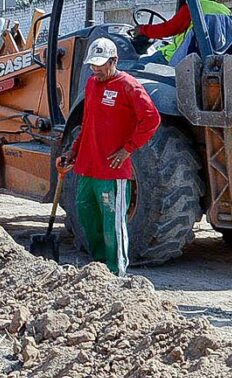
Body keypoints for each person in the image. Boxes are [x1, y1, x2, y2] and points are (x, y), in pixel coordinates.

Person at [57, 38, 160, 277]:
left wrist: (128, 149)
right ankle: (100, 267)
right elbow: (87, 123)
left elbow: (152, 119)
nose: (95, 69)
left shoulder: (129, 86)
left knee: (113, 223)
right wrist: (73, 151)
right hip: (87, 167)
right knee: (86, 215)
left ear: (114, 61)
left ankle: (117, 271)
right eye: (92, 64)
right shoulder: (92, 85)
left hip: (112, 172)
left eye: (100, 64)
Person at [134, 0, 232, 63]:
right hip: (216, 57)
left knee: (139, 64)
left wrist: (143, 30)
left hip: (180, 56)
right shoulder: (225, 10)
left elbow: (169, 29)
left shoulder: (194, 7)